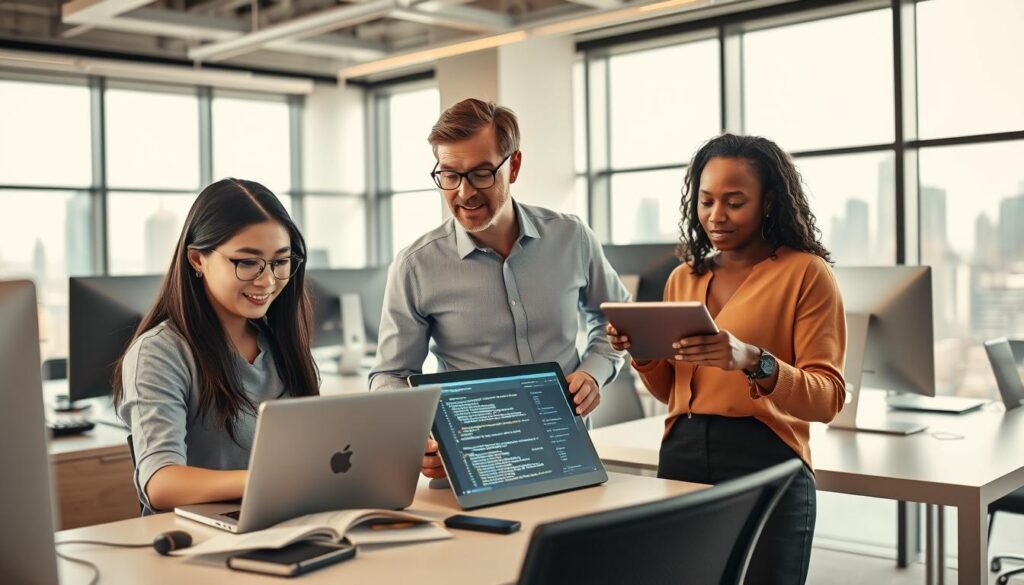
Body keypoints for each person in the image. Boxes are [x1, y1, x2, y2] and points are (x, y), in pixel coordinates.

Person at [607, 133, 846, 585]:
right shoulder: (684, 277)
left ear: (769, 202)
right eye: (707, 200)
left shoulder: (806, 273)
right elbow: (674, 392)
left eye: (735, 202)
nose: (716, 216)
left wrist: (755, 360)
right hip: (682, 455)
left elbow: (828, 398)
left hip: (766, 459)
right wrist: (641, 351)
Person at [369, 98, 630, 479]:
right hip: (474, 466)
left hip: (569, 457)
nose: (464, 192)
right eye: (450, 175)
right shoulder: (416, 265)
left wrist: (592, 372)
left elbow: (617, 323)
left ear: (515, 165)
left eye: (481, 174)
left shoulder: (571, 237)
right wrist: (414, 433)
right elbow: (390, 374)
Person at [114, 178, 318, 514]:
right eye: (247, 262)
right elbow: (160, 483)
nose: (267, 280)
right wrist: (269, 480)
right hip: (195, 540)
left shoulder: (282, 344)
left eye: (280, 261)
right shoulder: (159, 353)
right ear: (197, 259)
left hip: (282, 522)